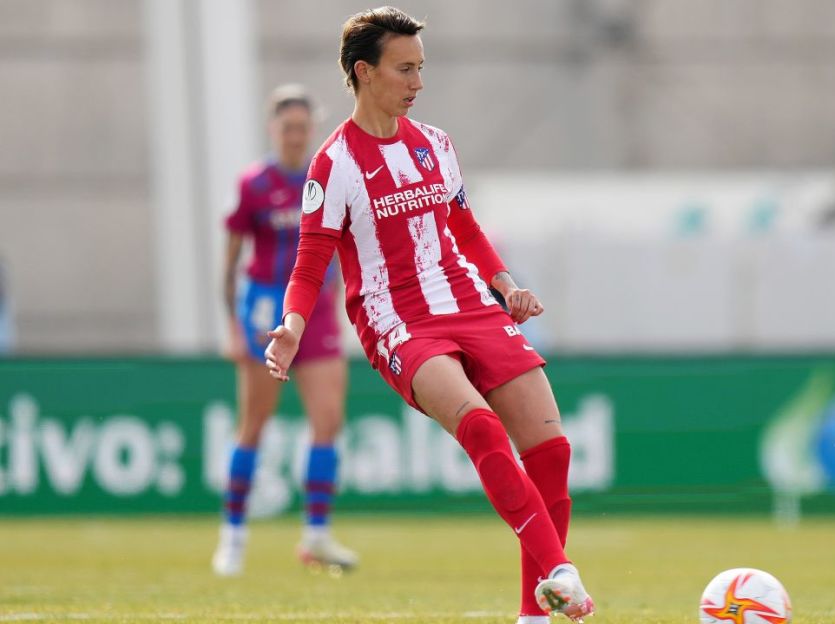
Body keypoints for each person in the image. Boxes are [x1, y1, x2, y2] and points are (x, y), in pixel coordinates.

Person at [264, 8, 595, 622]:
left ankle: (533, 615)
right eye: (405, 69)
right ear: (365, 72)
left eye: (422, 68)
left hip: (468, 302)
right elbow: (310, 265)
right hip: (397, 320)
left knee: (551, 450)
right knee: (481, 428)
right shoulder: (334, 164)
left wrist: (504, 284)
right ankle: (560, 571)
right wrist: (291, 327)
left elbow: (463, 226)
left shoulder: (436, 144)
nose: (418, 82)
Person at [212, 84, 358, 577]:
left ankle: (316, 533)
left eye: (302, 128)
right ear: (273, 129)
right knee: (254, 423)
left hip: (317, 311)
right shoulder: (254, 184)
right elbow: (230, 264)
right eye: (286, 128)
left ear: (312, 128)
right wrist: (233, 327)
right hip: (264, 313)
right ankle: (233, 534)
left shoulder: (331, 177)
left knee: (329, 419)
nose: (295, 137)